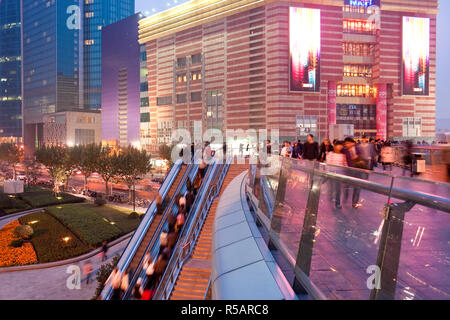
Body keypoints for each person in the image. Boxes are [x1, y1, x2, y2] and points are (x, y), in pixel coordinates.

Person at [343, 137, 366, 209]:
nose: (347, 144)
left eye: (348, 143)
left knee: (357, 187)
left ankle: (354, 202)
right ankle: (345, 198)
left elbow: (362, 158)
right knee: (346, 186)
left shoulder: (358, 149)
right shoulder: (344, 150)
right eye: (346, 143)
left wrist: (358, 157)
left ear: (353, 143)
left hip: (358, 171)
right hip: (348, 171)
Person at [326, 141, 347, 209]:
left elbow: (345, 165)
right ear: (335, 146)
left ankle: (337, 203)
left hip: (339, 174)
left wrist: (345, 172)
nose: (340, 147)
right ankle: (332, 197)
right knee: (332, 187)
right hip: (331, 173)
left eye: (341, 146)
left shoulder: (342, 155)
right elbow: (328, 164)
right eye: (338, 145)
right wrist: (328, 172)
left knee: (338, 189)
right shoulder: (330, 154)